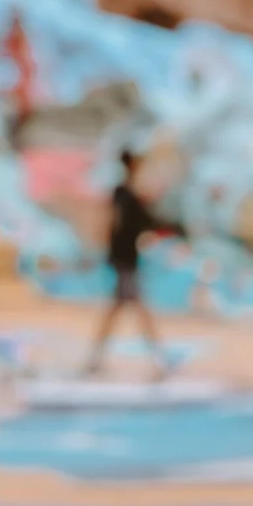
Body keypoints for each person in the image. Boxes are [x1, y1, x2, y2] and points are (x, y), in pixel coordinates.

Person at [89, 145, 182, 371]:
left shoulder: (124, 194)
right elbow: (131, 225)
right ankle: (159, 359)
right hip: (126, 261)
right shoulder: (126, 195)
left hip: (124, 259)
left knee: (120, 309)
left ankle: (96, 358)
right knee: (138, 309)